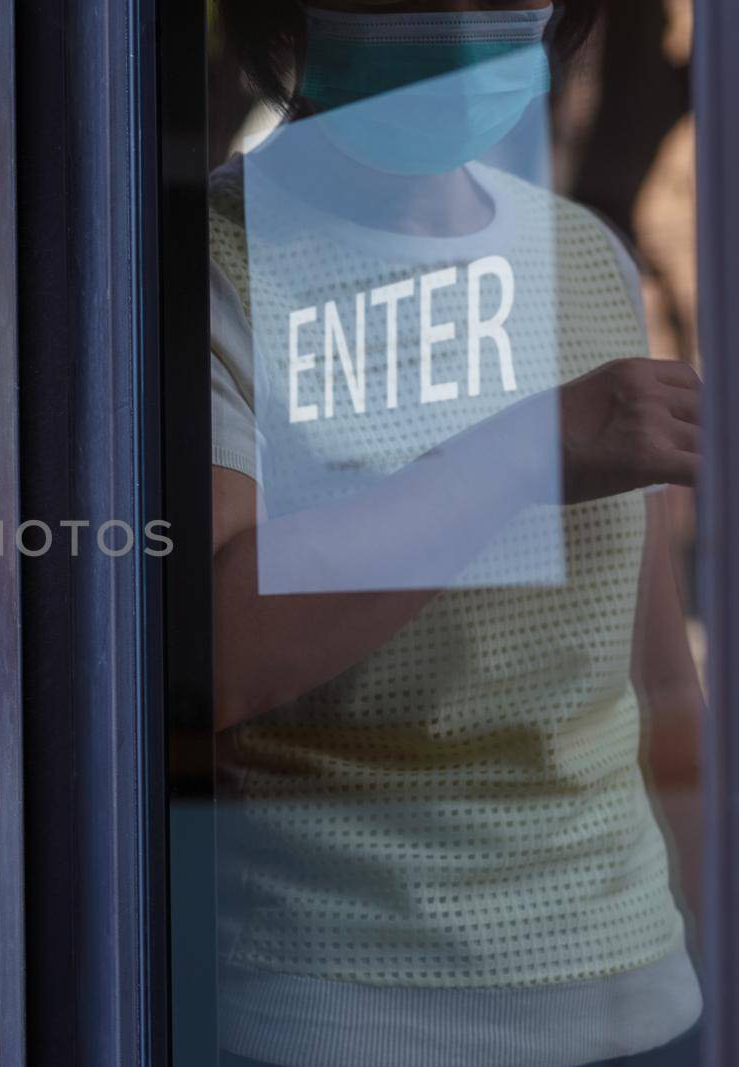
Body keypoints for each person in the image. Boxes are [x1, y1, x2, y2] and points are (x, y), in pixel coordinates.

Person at [208, 2, 705, 1065]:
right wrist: (523, 454)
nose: (462, 20)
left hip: (641, 994)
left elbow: (657, 681)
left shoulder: (585, 254)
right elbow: (215, 652)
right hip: (343, 1008)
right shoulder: (201, 264)